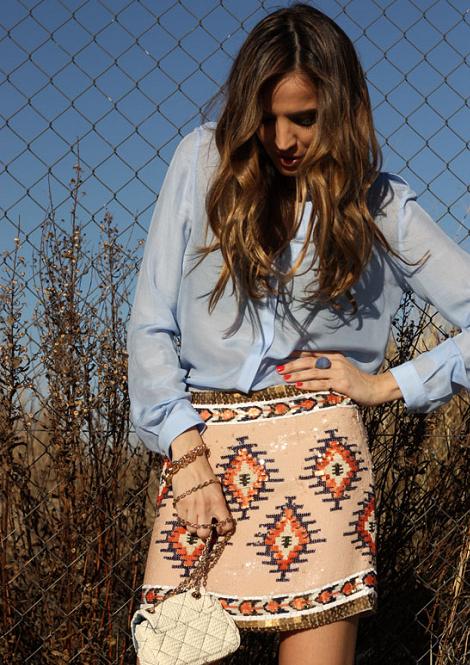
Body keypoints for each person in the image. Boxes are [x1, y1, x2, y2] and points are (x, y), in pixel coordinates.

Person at [127, 4, 470, 664]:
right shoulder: (201, 163)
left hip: (322, 470)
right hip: (201, 461)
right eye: (267, 117)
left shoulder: (378, 203)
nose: (282, 138)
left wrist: (389, 384)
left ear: (340, 110)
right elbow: (150, 323)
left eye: (304, 118)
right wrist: (185, 452)